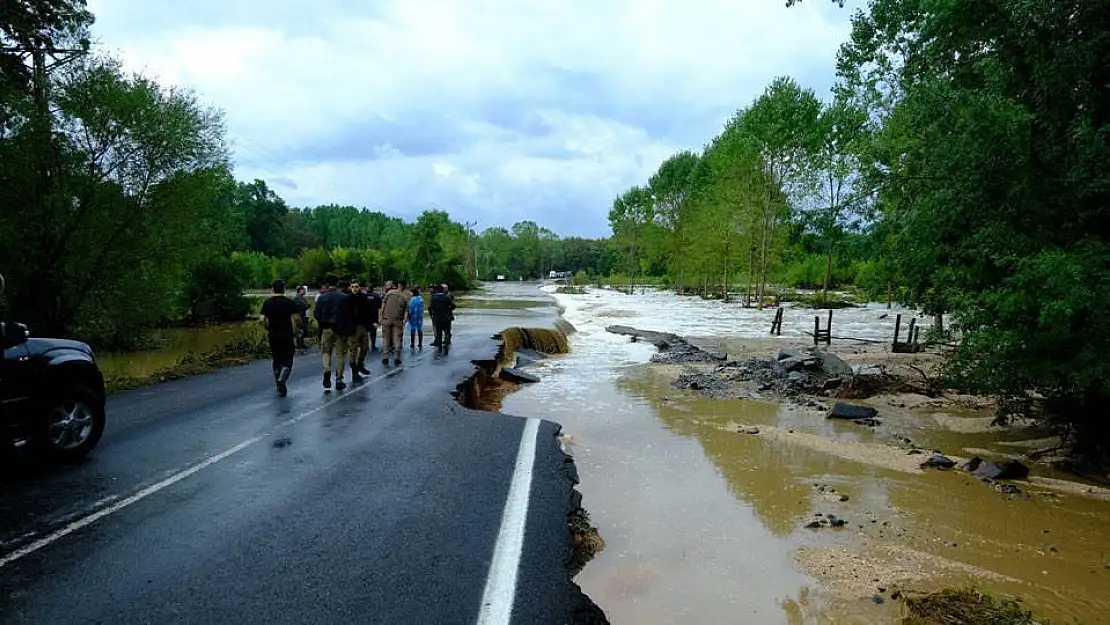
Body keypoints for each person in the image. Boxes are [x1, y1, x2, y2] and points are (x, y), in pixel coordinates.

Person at [314, 277, 361, 389]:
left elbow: (316, 314)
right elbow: (351, 315)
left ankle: (327, 370)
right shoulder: (345, 298)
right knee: (340, 354)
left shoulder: (321, 297)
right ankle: (339, 379)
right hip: (341, 330)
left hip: (326, 328)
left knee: (326, 352)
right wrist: (350, 329)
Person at [259, 279, 301, 396]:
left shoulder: (267, 303)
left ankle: (278, 381)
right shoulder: (289, 302)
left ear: (272, 289)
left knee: (276, 358)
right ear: (284, 289)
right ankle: (282, 378)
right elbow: (297, 319)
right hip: (286, 334)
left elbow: (261, 319)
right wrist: (298, 329)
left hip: (273, 334)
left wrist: (268, 327)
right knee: (288, 358)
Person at [379, 280, 407, 366]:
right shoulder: (404, 297)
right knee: (397, 339)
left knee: (386, 339)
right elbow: (406, 311)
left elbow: (383, 304)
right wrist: (404, 322)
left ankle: (385, 357)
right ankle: (397, 358)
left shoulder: (389, 293)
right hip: (398, 321)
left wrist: (381, 316)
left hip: (387, 319)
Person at [348, 280, 373, 375]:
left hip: (363, 325)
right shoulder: (348, 298)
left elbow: (368, 311)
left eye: (356, 286)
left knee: (365, 346)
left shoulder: (364, 297)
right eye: (353, 287)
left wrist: (370, 323)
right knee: (353, 349)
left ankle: (360, 364)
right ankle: (354, 370)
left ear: (359, 287)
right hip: (353, 326)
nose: (354, 288)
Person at [429, 283, 456, 349]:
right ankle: (446, 343)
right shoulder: (446, 297)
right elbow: (453, 305)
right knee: (446, 331)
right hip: (446, 317)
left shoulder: (433, 297)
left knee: (439, 331)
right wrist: (448, 310)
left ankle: (439, 343)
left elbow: (431, 307)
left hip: (437, 317)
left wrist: (433, 314)